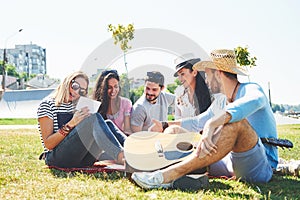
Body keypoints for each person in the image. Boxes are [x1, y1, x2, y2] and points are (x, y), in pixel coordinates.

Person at [131, 49, 278, 189]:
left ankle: (167, 176)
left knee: (236, 123)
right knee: (173, 131)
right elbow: (197, 122)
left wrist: (213, 123)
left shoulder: (251, 88)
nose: (205, 80)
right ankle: (178, 173)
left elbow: (256, 101)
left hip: (260, 166)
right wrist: (164, 124)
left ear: (218, 73)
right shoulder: (221, 101)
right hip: (226, 161)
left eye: (207, 75)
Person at [37, 71, 127, 168]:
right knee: (94, 119)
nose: (76, 92)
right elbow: (48, 144)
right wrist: (72, 123)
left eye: (81, 91)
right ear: (67, 82)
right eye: (75, 86)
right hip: (57, 159)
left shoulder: (77, 105)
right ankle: (123, 158)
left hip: (82, 159)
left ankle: (135, 150)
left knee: (107, 123)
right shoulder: (47, 104)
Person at [92, 69, 132, 135]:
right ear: (103, 89)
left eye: (116, 86)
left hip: (120, 139)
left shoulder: (126, 103)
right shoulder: (96, 106)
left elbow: (127, 130)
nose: (113, 91)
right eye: (109, 87)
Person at [174, 53, 212, 119]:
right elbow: (177, 120)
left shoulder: (211, 94)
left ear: (194, 72)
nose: (180, 79)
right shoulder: (179, 95)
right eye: (178, 75)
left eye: (182, 74)